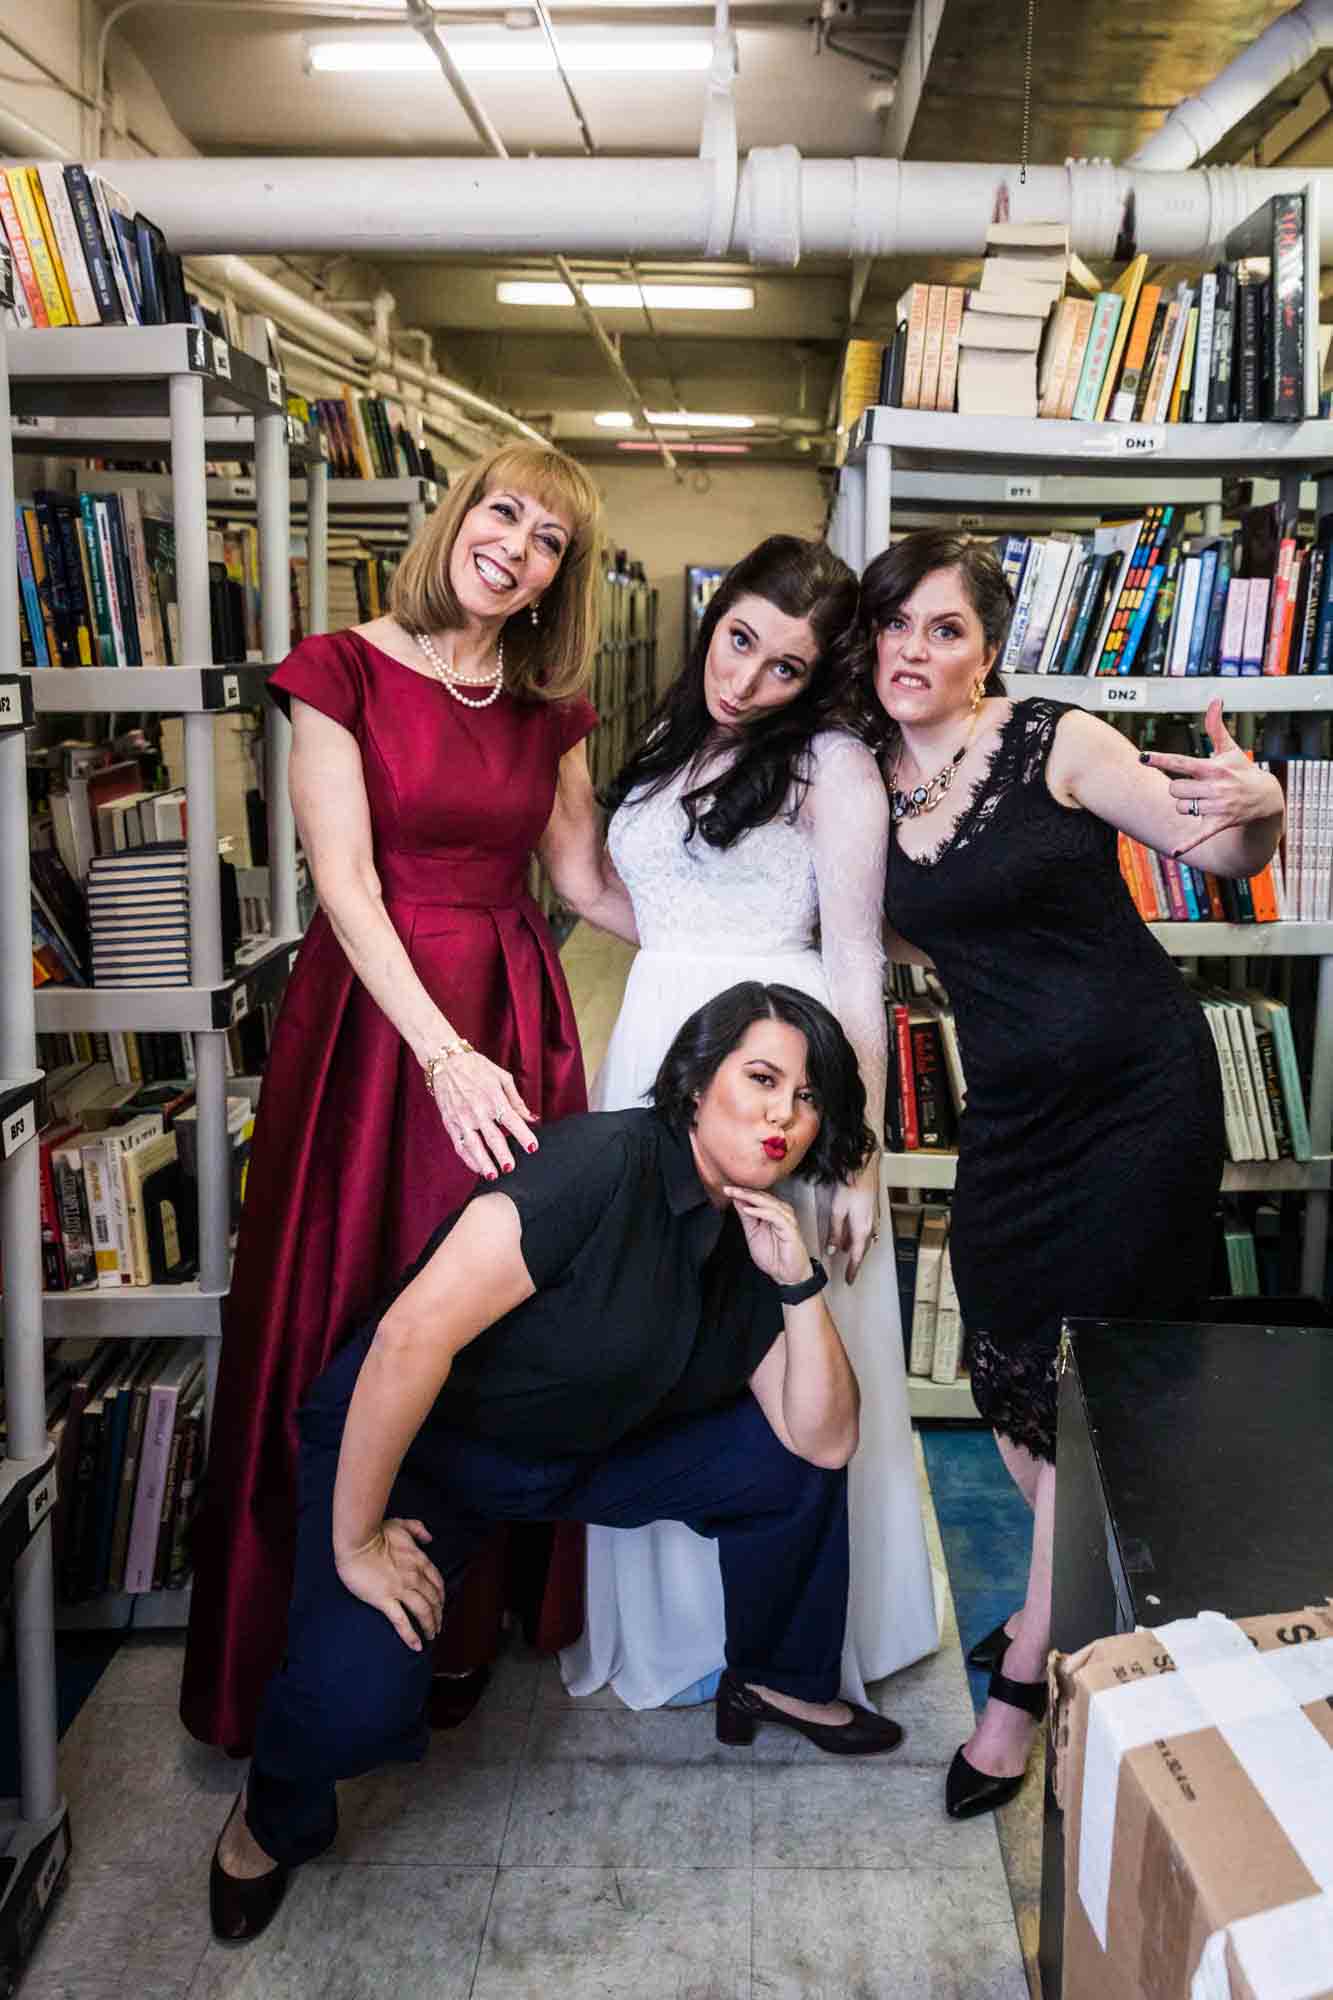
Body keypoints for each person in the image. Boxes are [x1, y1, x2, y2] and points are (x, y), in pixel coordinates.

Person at [207, 982, 905, 1945]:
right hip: (425, 1456)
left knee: (785, 1472)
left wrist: (796, 1283)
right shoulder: (597, 1162)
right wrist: (359, 1538)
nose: (785, 1112)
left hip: (584, 1453)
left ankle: (777, 1675)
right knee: (350, 1710)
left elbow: (823, 1440)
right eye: (761, 1077)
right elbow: (409, 1341)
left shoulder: (758, 1228)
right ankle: (267, 1817)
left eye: (810, 1093)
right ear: (696, 1081)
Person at [181, 442, 639, 1756]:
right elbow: (345, 886)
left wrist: (769, 934)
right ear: (459, 515)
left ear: (563, 573)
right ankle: (303, 1646)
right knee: (353, 1309)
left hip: (513, 1011)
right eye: (505, 511)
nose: (518, 545)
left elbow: (589, 884)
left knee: (492, 1325)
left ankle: (454, 1626)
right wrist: (439, 1053)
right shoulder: (340, 667)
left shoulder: (547, 707)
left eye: (549, 538)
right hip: (383, 1034)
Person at [862, 527, 1283, 1819]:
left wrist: (1253, 812)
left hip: (1137, 1104)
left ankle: (1026, 1684)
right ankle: (1103, 1591)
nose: (914, 650)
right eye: (894, 625)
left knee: (1089, 1385)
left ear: (990, 650)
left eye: (946, 629)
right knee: (1000, 1352)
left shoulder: (1059, 737)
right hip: (1016, 1121)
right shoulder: (856, 779)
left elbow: (1210, 851)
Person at [560, 534, 940, 1714]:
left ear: (816, 680)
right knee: (657, 1326)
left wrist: (861, 1146)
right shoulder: (676, 736)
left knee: (784, 1329)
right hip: (659, 1046)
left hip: (780, 1061)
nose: (747, 678)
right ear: (712, 611)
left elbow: (856, 951)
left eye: (784, 667)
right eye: (739, 640)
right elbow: (603, 894)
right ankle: (675, 1626)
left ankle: (800, 1629)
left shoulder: (830, 760)